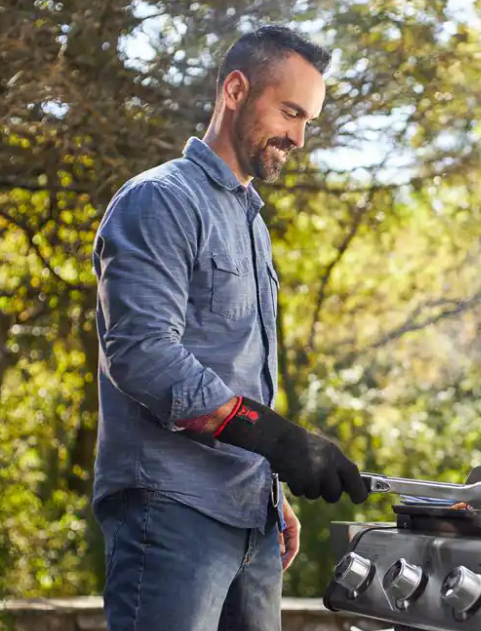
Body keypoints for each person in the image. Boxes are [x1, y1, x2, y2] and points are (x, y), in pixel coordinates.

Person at [90, 25, 368, 631]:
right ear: (236, 90)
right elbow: (143, 354)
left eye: (308, 121)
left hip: (252, 520)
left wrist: (269, 487)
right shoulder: (159, 201)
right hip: (172, 511)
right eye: (290, 112)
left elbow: (233, 364)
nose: (298, 137)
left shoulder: (251, 224)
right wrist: (281, 441)